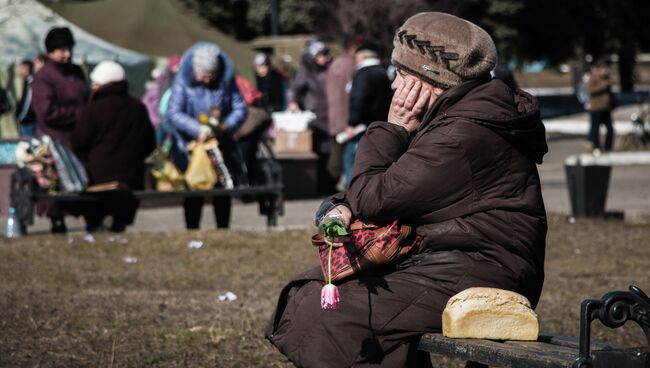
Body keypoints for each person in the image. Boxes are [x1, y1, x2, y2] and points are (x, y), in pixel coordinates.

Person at [266, 12, 548, 367]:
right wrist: (343, 205)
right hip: (450, 258)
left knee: (333, 314)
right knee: (314, 294)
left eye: (401, 75)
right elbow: (390, 188)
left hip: (483, 268)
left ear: (431, 80)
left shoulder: (458, 133)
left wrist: (393, 126)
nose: (395, 87)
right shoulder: (454, 117)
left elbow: (374, 199)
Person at [167, 42, 247, 229]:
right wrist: (197, 129)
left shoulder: (226, 82)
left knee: (221, 186)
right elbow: (173, 113)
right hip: (190, 146)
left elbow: (239, 108)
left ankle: (223, 228)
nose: (207, 80)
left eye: (211, 75)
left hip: (219, 144)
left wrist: (224, 126)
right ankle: (192, 228)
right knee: (194, 187)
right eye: (203, 75)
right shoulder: (182, 83)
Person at [70, 61, 156, 232]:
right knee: (119, 226)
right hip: (130, 179)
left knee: (96, 227)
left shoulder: (93, 110)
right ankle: (116, 225)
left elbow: (78, 142)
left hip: (97, 179)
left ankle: (99, 225)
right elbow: (149, 143)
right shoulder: (137, 108)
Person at [32, 26, 89, 233]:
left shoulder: (77, 72)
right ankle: (57, 220)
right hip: (55, 139)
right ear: (51, 51)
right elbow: (46, 111)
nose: (66, 54)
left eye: (69, 49)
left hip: (78, 136)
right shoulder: (44, 77)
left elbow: (86, 96)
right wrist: (79, 114)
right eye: (61, 50)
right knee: (58, 182)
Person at [288, 40, 338, 195]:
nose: (325, 58)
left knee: (332, 154)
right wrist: (293, 102)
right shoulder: (305, 72)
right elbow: (294, 90)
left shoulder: (331, 68)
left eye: (326, 54)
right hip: (315, 118)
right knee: (319, 154)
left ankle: (329, 185)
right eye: (321, 55)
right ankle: (318, 185)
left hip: (331, 116)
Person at [341, 39, 393, 186]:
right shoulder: (386, 72)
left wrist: (352, 122)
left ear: (361, 56)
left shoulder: (363, 74)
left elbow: (359, 100)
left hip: (363, 127)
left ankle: (353, 193)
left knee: (351, 158)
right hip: (383, 124)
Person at [325, 35, 362, 188]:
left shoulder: (335, 64)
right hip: (349, 121)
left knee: (340, 155)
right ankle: (349, 189)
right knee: (350, 157)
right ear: (353, 48)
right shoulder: (352, 66)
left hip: (335, 118)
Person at [584, 60, 615, 154]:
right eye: (604, 69)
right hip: (596, 108)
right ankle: (596, 147)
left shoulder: (606, 79)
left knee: (610, 128)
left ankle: (608, 147)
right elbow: (590, 91)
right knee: (595, 129)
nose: (606, 71)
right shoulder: (592, 77)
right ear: (599, 69)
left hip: (606, 108)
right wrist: (603, 86)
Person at [15, 60, 37, 138]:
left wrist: (22, 116)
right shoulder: (26, 81)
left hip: (28, 121)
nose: (19, 70)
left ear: (26, 68)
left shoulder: (31, 82)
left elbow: (28, 102)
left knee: (29, 145)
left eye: (21, 68)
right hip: (27, 120)